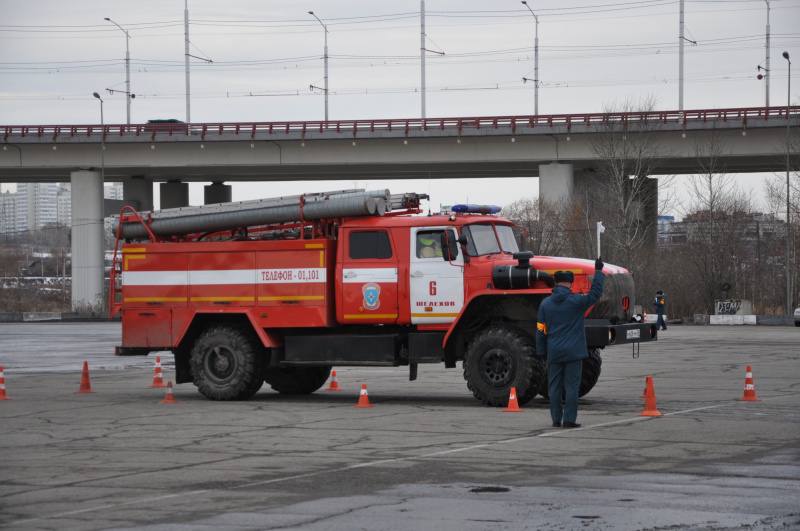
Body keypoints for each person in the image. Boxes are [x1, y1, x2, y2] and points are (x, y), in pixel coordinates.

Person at [536, 258, 605, 428]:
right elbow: (595, 294)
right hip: (574, 352)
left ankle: (555, 419)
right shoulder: (576, 302)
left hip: (554, 351)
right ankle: (569, 420)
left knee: (554, 387)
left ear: (556, 282)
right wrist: (598, 272)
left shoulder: (545, 304)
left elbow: (540, 330)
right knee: (572, 387)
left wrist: (541, 351)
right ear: (570, 283)